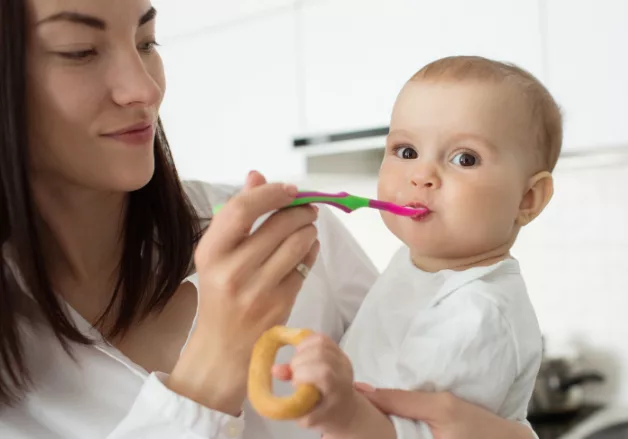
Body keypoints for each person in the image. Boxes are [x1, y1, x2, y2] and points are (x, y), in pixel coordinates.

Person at [0, 0, 539, 438]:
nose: (145, 89)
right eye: (80, 51)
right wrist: (208, 374)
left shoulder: (292, 232)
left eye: (146, 42)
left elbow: (425, 397)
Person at [280, 56, 561, 439]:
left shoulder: (477, 312)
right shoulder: (419, 266)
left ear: (527, 199)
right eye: (406, 151)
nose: (421, 175)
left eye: (465, 158)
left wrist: (344, 415)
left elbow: (425, 431)